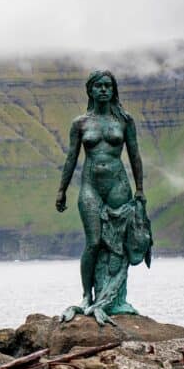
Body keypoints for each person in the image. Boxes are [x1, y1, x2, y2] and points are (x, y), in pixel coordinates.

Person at [55, 70, 151, 325]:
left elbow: (135, 155)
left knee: (117, 244)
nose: (104, 90)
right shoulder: (81, 123)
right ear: (90, 90)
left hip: (118, 184)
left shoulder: (124, 121)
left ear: (114, 89)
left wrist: (140, 188)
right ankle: (88, 295)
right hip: (90, 186)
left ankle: (115, 299)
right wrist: (61, 189)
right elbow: (71, 158)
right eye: (99, 86)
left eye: (108, 85)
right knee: (94, 242)